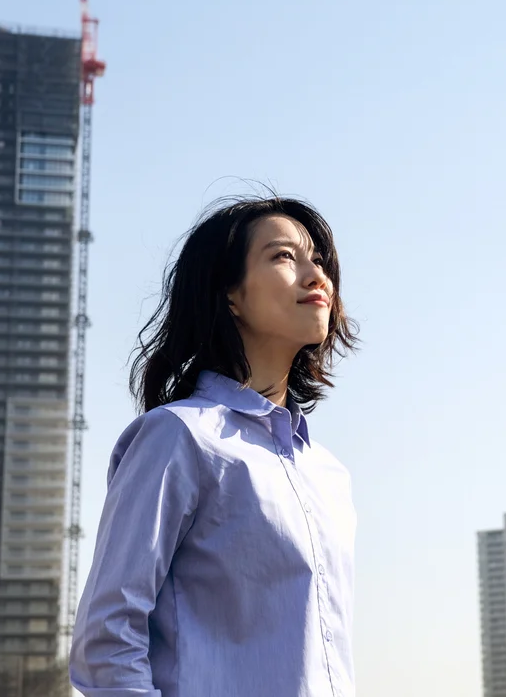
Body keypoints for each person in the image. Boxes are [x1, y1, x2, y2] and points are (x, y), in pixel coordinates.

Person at [70, 196, 359, 697]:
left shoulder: (328, 473)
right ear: (230, 295)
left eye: (320, 260)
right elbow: (107, 641)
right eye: (284, 257)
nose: (317, 276)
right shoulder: (178, 437)